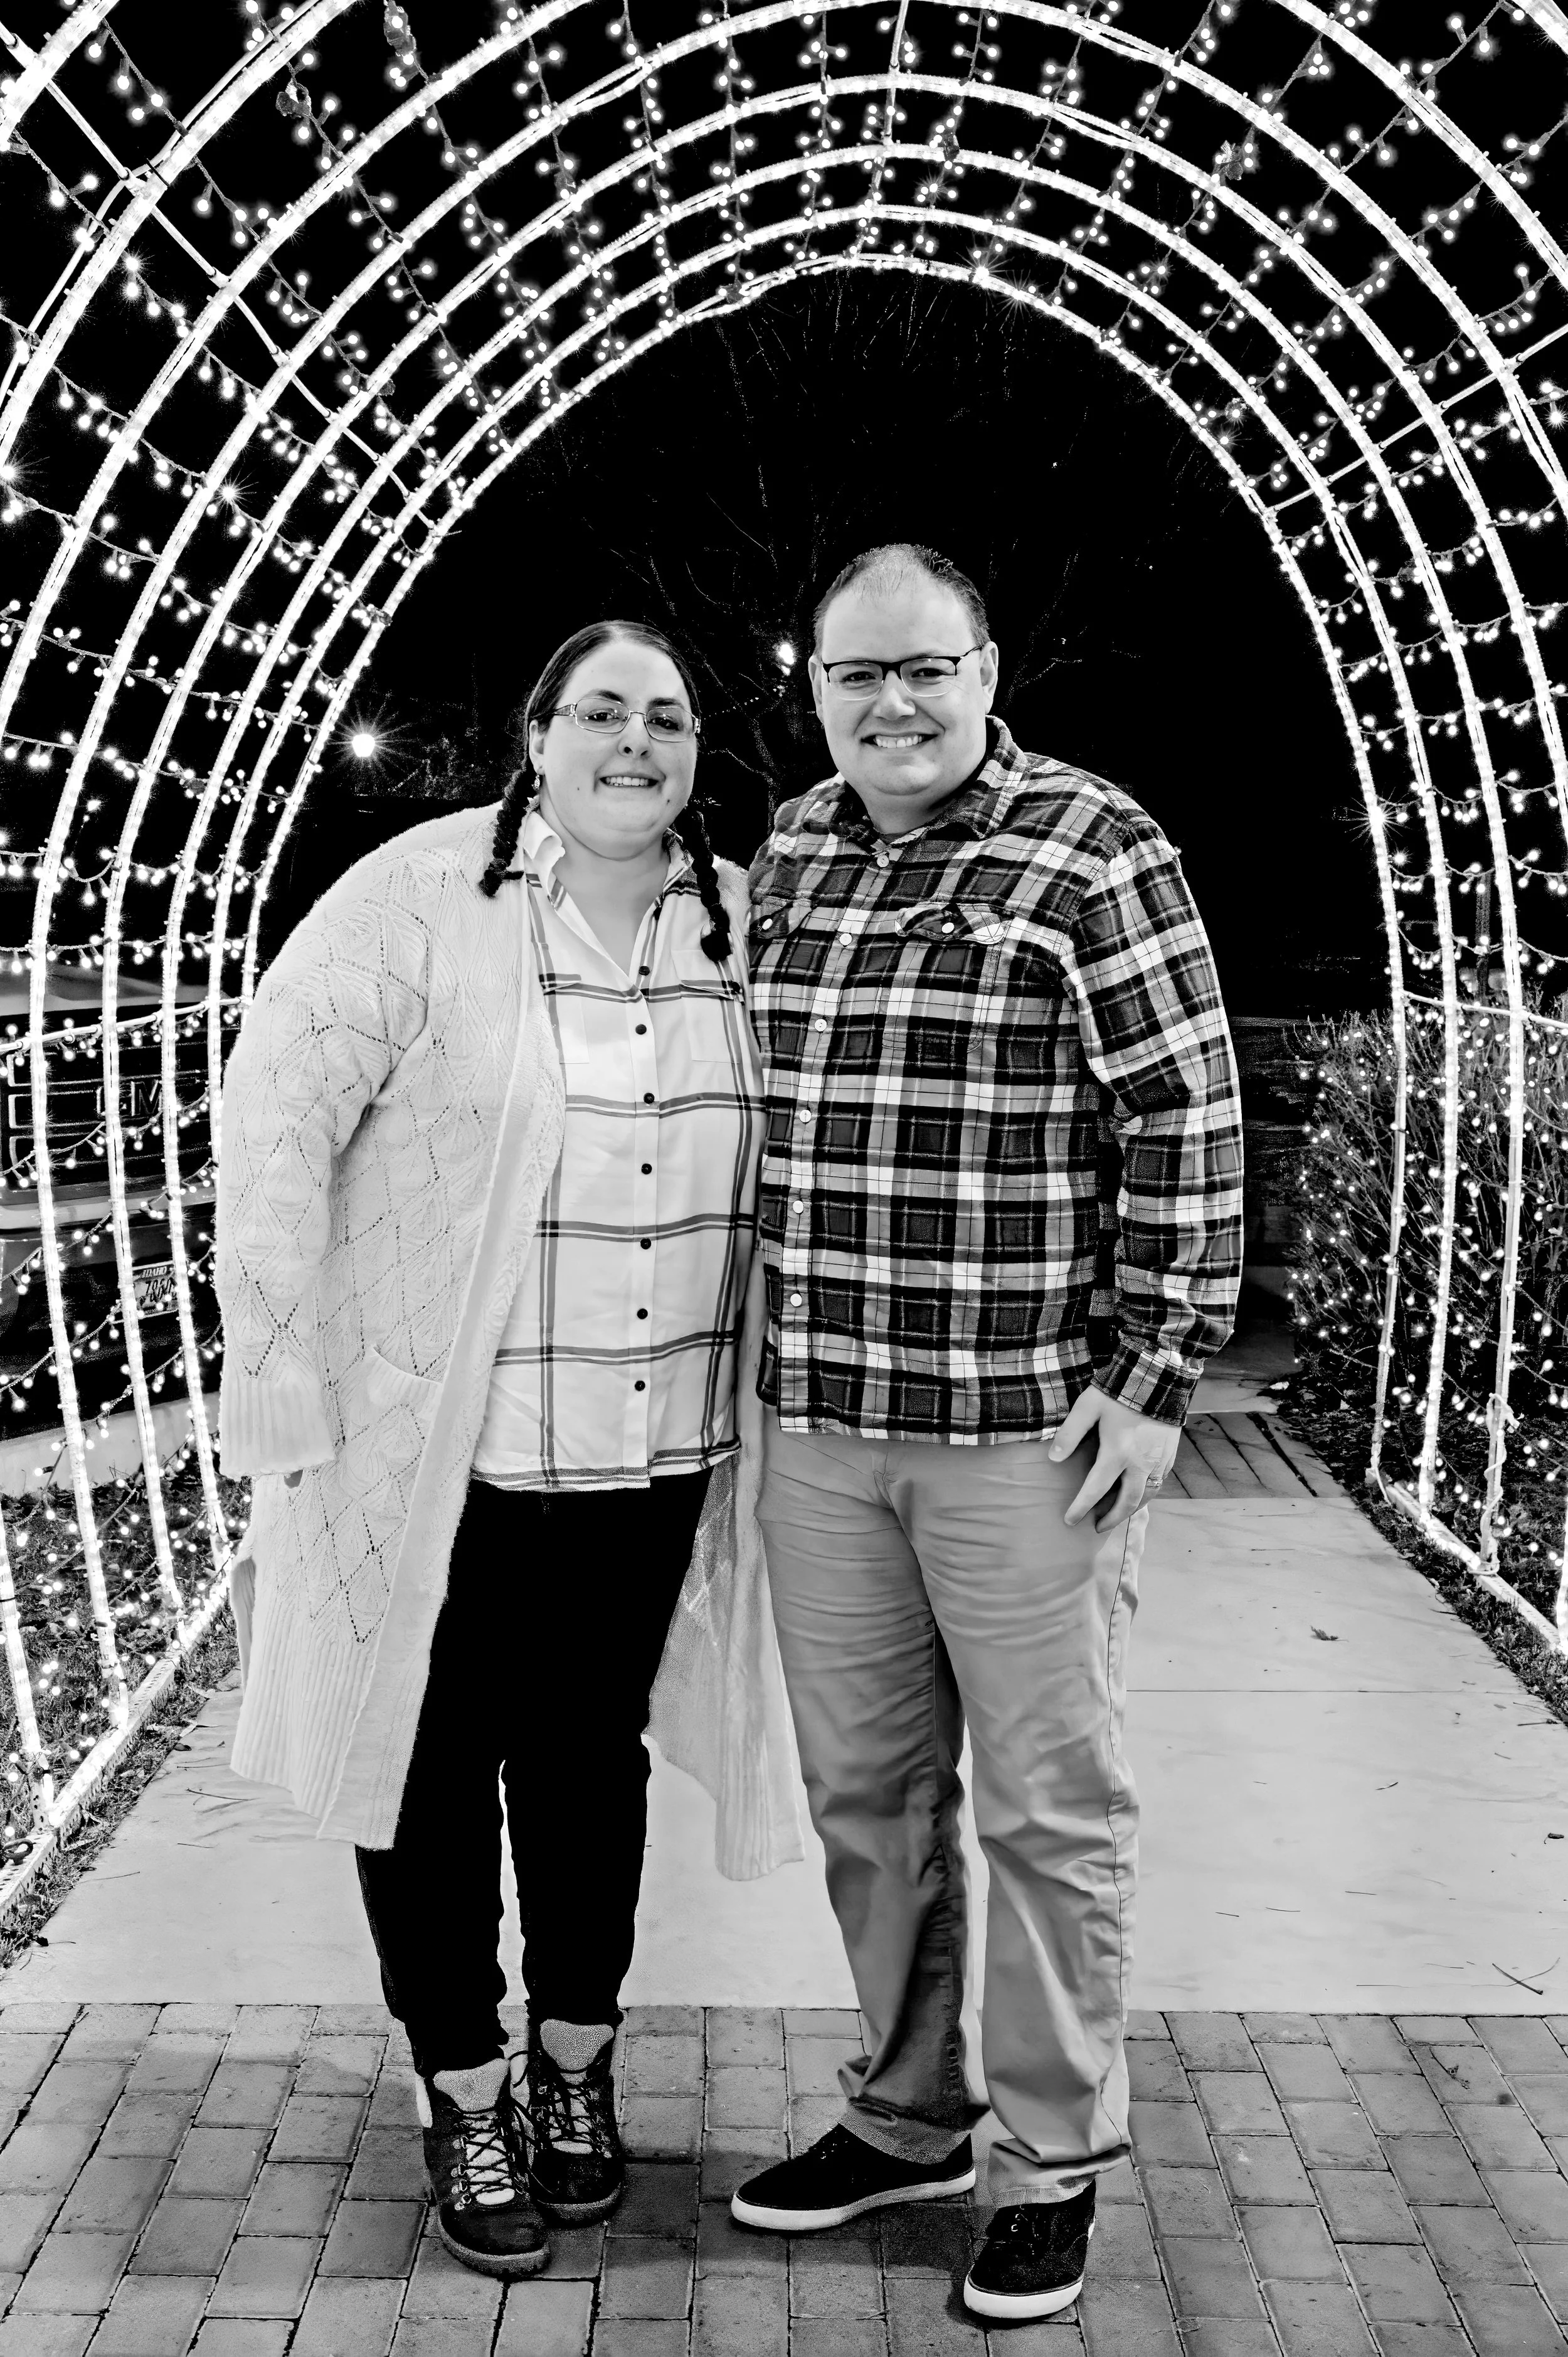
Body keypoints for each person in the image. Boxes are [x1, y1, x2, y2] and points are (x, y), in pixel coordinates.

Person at [216, 619, 780, 2280]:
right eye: (599, 710)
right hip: (437, 1454)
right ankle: (463, 2086)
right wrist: (277, 1352)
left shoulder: (741, 919)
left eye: (666, 717)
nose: (634, 740)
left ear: (697, 754)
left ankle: (576, 2062)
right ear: (536, 737)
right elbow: (275, 1114)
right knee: (430, 1774)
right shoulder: (416, 898)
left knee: (591, 1765)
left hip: (653, 1442)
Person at [729, 544, 1244, 2321]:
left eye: (924, 668)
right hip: (822, 1428)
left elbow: (1184, 1117)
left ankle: (1048, 2158)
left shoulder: (1093, 846)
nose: (892, 703)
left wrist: (1157, 1373)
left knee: (1046, 1813)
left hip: (1025, 1437)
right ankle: (906, 2114)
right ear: (814, 690)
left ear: (986, 669)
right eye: (855, 674)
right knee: (868, 1804)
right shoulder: (792, 853)